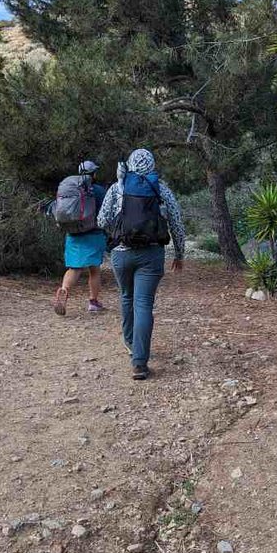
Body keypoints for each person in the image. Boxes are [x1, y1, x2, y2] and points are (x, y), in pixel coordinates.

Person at [97, 148, 185, 380]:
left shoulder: (118, 188)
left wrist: (118, 233)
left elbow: (101, 220)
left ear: (130, 164)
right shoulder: (161, 189)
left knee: (126, 297)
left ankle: (130, 343)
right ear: (152, 166)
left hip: (121, 254)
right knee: (143, 303)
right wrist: (179, 253)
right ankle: (139, 363)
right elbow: (176, 223)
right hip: (152, 255)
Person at [52, 160, 108, 316]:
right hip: (93, 233)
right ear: (93, 174)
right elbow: (105, 211)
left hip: (73, 232)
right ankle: (93, 302)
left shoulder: (70, 188)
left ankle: (64, 290)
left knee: (74, 268)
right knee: (94, 269)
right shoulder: (97, 190)